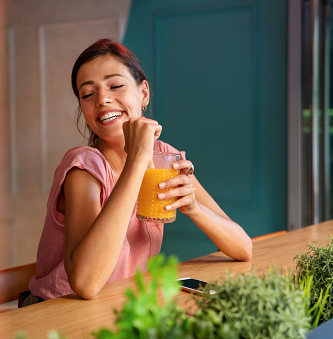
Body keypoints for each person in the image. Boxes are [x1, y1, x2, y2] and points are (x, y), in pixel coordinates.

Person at [24, 38, 252, 305]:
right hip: (57, 311)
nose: (103, 99)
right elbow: (85, 284)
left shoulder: (164, 156)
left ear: (143, 93)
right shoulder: (84, 167)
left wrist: (192, 207)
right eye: (88, 94)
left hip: (122, 304)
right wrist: (136, 160)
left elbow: (243, 247)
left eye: (116, 85)